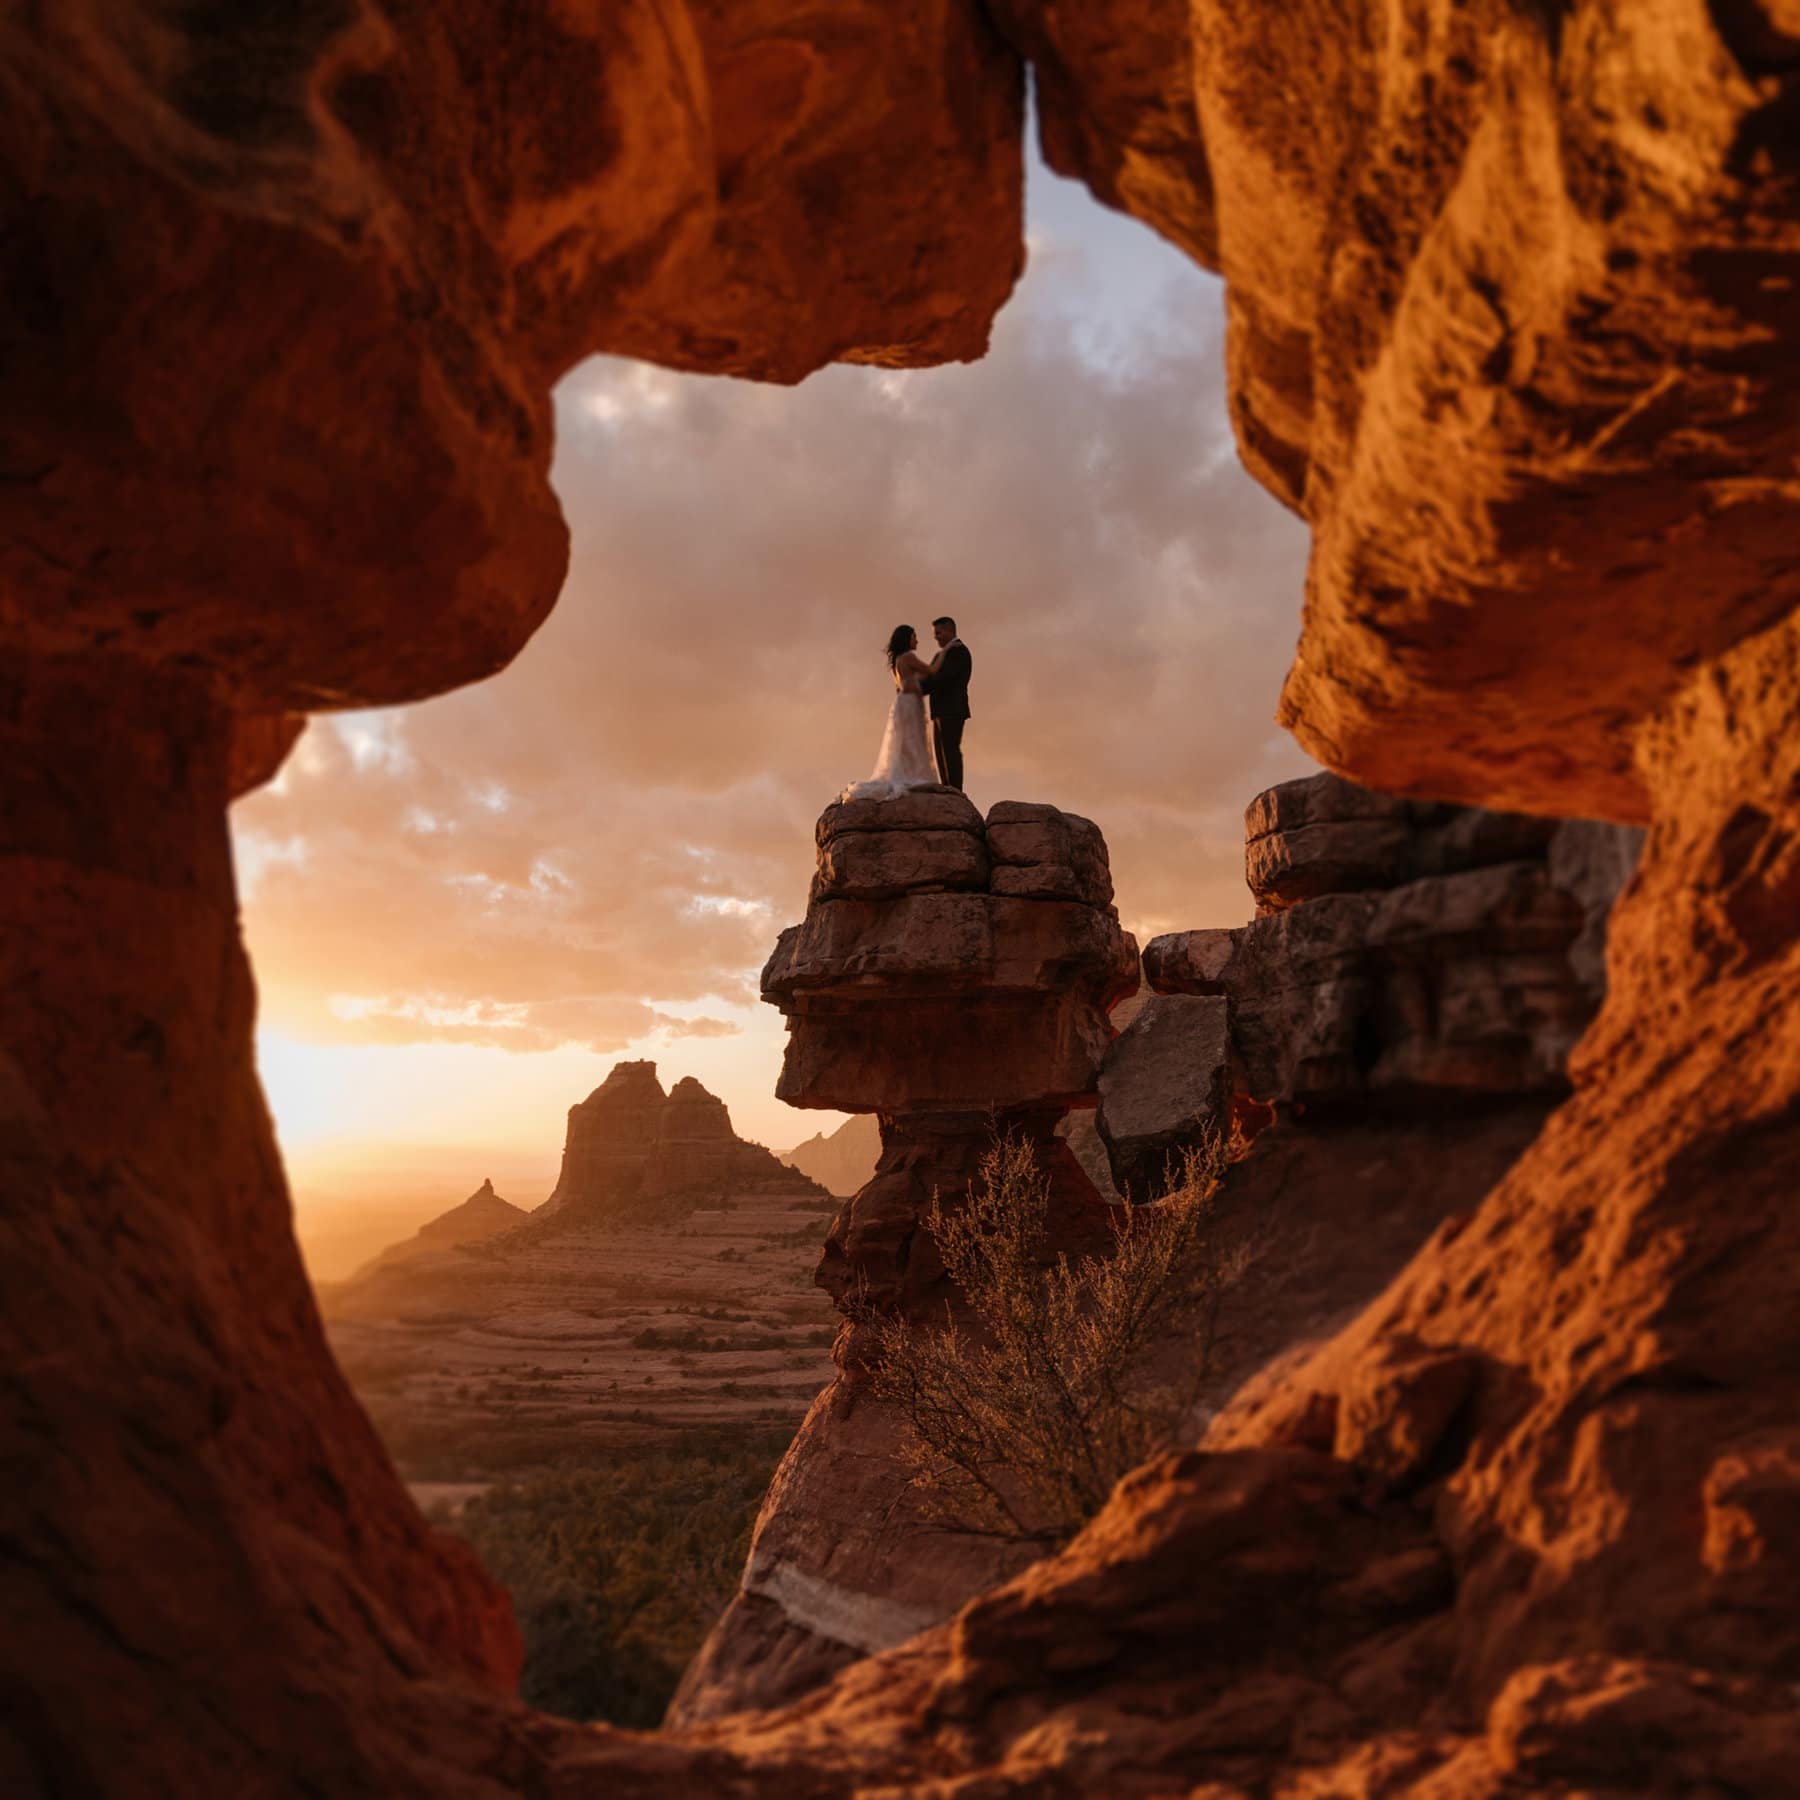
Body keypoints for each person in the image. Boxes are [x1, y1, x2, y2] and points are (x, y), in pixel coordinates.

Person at [839, 625, 944, 801]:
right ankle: (912, 774)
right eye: (914, 637)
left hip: (902, 703)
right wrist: (944, 653)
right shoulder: (909, 657)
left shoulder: (898, 661)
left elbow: (916, 678)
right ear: (906, 639)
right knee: (913, 738)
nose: (916, 640)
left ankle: (906, 772)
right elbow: (932, 671)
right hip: (910, 703)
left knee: (905, 740)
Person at [920, 616, 972, 791]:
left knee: (950, 749)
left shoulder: (959, 652)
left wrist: (919, 687)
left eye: (938, 633)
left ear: (950, 631)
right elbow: (930, 678)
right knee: (940, 752)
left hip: (952, 708)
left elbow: (943, 678)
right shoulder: (941, 655)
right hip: (940, 710)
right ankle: (946, 787)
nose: (936, 637)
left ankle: (955, 789)